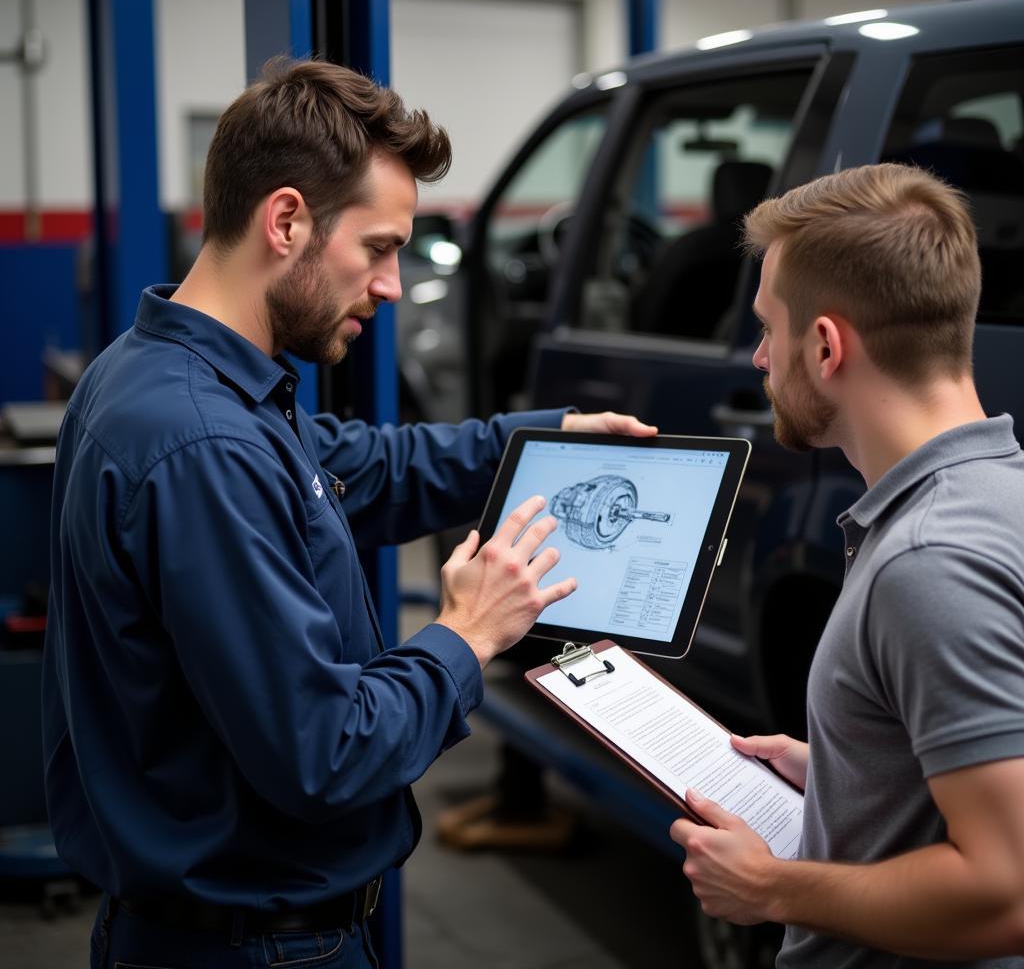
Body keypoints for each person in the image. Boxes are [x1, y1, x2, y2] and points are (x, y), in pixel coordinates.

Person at [43, 58, 655, 969]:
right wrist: (465, 634)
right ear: (286, 220)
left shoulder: (163, 371)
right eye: (378, 248)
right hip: (254, 947)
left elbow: (362, 468)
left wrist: (541, 440)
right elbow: (325, 753)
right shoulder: (205, 443)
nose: (393, 286)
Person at [670, 163, 1024, 967]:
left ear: (826, 346)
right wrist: (845, 771)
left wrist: (772, 888)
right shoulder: (999, 491)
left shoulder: (929, 562)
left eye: (768, 330)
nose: (760, 360)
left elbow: (1007, 891)